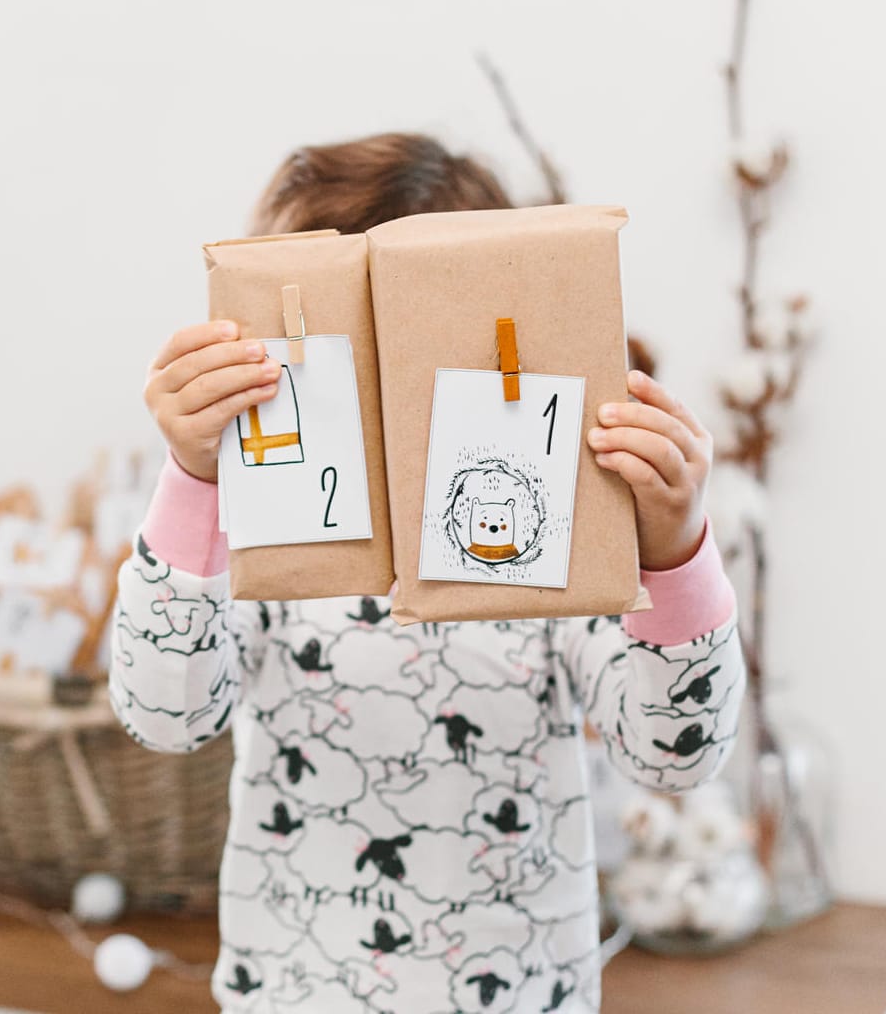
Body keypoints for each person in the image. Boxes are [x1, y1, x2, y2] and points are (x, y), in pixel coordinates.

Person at [109, 133, 742, 1013]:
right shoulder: (258, 530)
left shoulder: (552, 526)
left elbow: (678, 752)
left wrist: (674, 545)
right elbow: (165, 714)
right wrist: (194, 479)